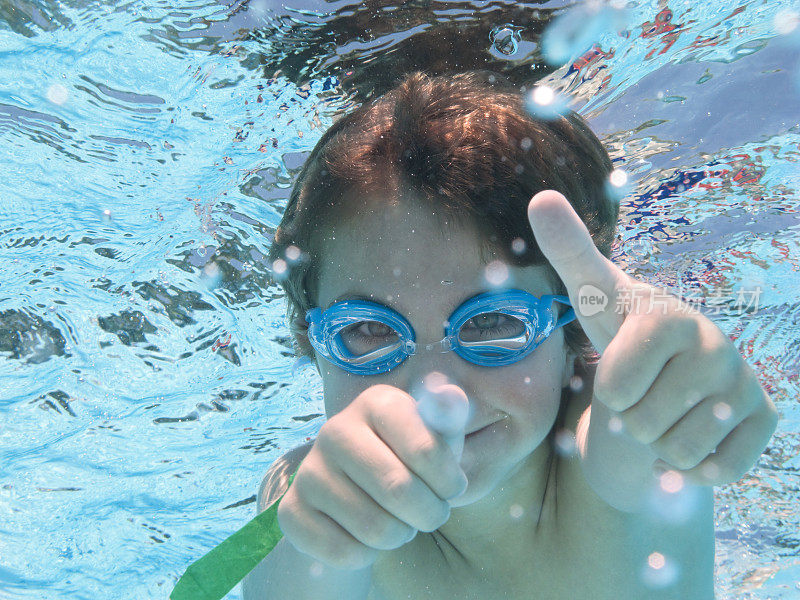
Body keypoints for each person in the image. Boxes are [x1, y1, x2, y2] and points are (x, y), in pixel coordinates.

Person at [241, 70, 778, 599]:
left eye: (493, 322)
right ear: (316, 345)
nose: (437, 393)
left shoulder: (613, 443)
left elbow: (630, 435)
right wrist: (312, 543)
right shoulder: (317, 500)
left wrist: (673, 377)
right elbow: (298, 565)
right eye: (367, 330)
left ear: (570, 332)